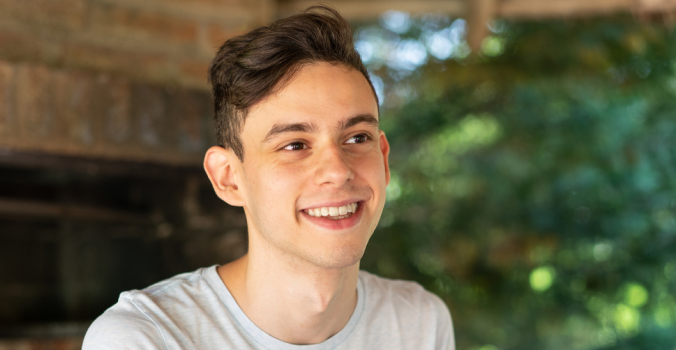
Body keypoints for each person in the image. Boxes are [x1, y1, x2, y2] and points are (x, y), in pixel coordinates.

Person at [82, 5, 454, 349]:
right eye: (294, 145)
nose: (338, 170)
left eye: (357, 138)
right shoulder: (144, 339)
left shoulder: (419, 322)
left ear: (384, 160)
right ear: (228, 178)